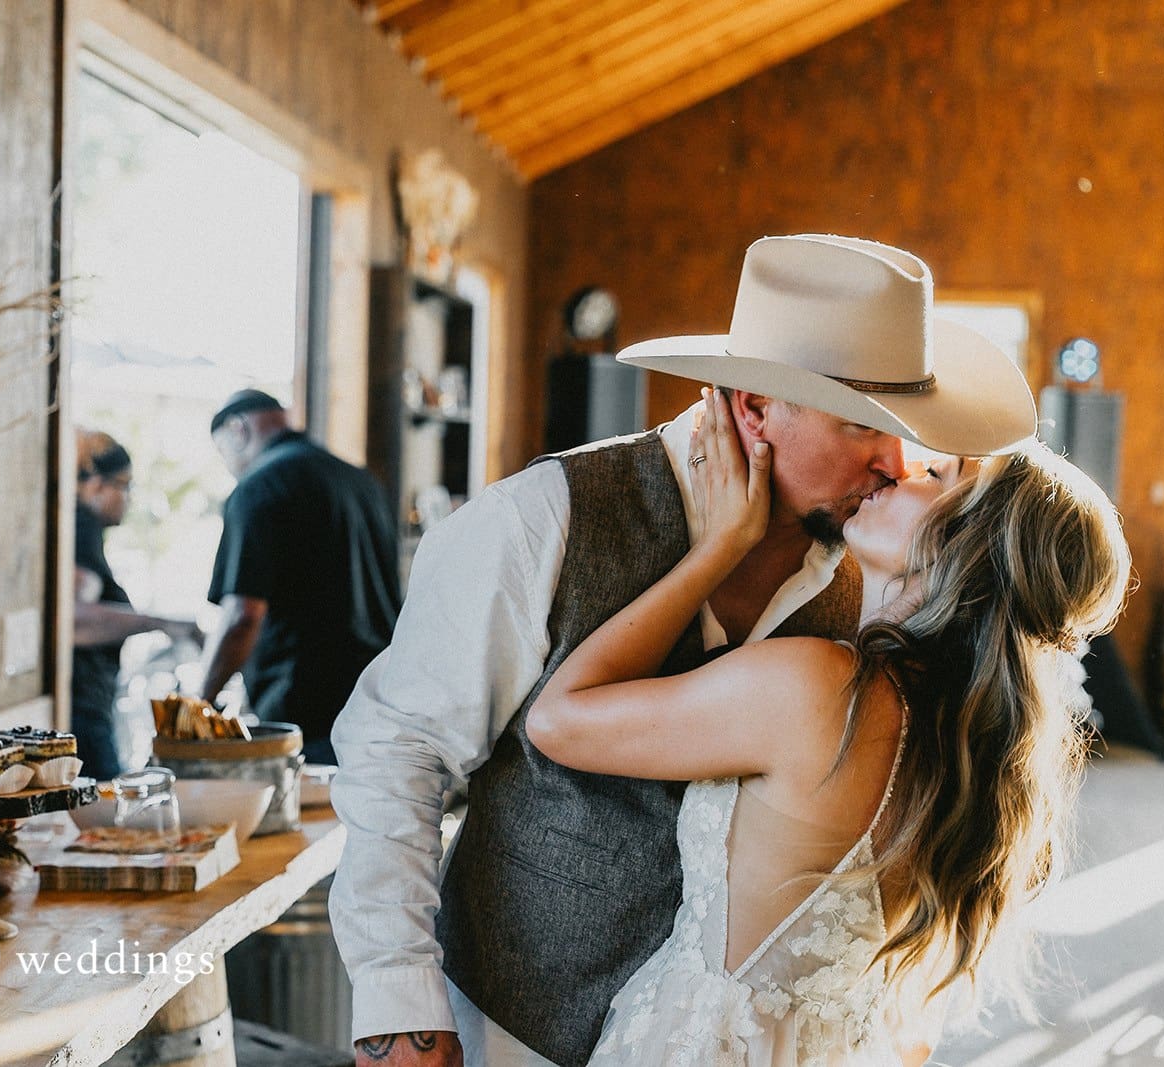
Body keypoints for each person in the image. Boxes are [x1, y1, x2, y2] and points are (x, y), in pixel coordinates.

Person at [329, 234, 1039, 1067]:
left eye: (902, 432)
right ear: (756, 409)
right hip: (500, 1033)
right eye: (863, 427)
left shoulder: (873, 578)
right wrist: (398, 1008)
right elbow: (397, 751)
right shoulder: (544, 518)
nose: (894, 463)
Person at [528, 391, 1130, 1064]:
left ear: (967, 550)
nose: (897, 468)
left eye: (934, 475)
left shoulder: (817, 688)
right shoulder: (970, 749)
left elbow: (558, 719)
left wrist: (724, 545)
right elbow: (913, 1024)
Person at [196, 390, 401, 765]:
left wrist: (198, 707)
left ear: (237, 429)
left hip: (307, 715)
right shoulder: (362, 483)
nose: (230, 467)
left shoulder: (258, 487)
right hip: (379, 702)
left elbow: (242, 616)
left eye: (222, 453)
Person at [73, 429, 202, 779]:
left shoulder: (87, 535)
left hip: (92, 708)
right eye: (124, 485)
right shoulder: (79, 528)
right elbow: (73, 621)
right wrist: (163, 623)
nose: (128, 498)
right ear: (95, 485)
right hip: (81, 715)